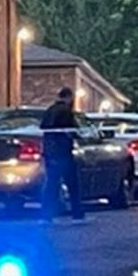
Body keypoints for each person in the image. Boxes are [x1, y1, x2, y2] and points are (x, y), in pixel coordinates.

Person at [39, 87, 86, 224]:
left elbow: (43, 127)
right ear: (69, 97)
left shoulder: (49, 110)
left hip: (49, 153)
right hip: (63, 153)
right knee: (73, 184)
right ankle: (77, 215)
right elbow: (71, 130)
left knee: (51, 185)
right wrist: (80, 136)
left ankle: (46, 216)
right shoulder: (66, 111)